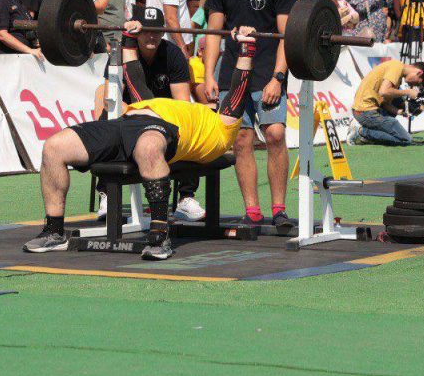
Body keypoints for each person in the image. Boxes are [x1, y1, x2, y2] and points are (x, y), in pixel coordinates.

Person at [24, 26, 260, 260]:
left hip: (163, 131)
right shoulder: (159, 103)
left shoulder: (221, 129)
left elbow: (239, 87)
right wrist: (129, 37)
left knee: (148, 147)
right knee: (54, 146)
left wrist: (246, 48)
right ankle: (54, 231)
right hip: (130, 121)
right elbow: (134, 74)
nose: (214, 100)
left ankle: (159, 236)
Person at [203, 0, 296, 228]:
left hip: (267, 73)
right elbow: (214, 32)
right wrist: (209, 75)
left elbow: (286, 36)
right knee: (241, 140)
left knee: (275, 134)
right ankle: (252, 210)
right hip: (233, 75)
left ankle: (279, 209)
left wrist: (278, 77)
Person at [92, 6, 204, 222]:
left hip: (164, 117)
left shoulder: (173, 55)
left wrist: (159, 116)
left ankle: (186, 198)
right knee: (105, 123)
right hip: (129, 114)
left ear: (163, 32)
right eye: (146, 31)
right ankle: (107, 193)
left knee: (191, 125)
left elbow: (182, 102)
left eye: (156, 31)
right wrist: (136, 113)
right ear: (136, 32)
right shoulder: (120, 53)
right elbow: (109, 95)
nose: (151, 36)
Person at [345, 60, 424, 146]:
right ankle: (361, 131)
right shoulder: (396, 67)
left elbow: (384, 104)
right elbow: (384, 91)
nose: (413, 85)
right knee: (405, 140)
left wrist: (402, 112)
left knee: (398, 99)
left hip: (363, 111)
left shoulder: (397, 71)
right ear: (419, 73)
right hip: (366, 112)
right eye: (417, 83)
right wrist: (408, 92)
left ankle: (369, 133)